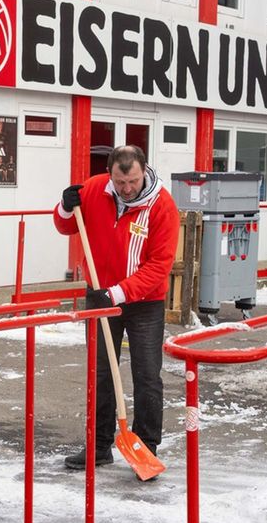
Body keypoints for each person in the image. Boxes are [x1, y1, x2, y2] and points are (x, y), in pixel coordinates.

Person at [53, 145, 178, 469]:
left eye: (133, 181)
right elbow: (66, 226)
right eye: (120, 182)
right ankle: (99, 445)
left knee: (147, 374)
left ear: (144, 171)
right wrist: (65, 207)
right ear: (110, 174)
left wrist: (117, 294)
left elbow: (159, 266)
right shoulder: (95, 189)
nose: (127, 189)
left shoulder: (162, 206)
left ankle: (146, 448)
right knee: (101, 373)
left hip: (144, 302)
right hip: (99, 294)